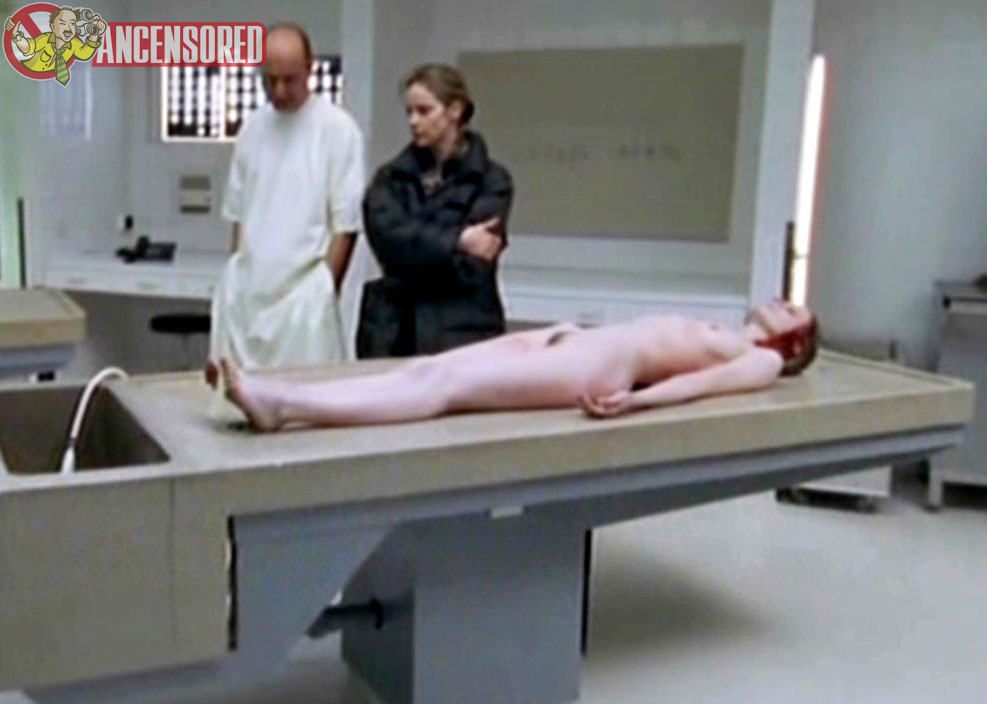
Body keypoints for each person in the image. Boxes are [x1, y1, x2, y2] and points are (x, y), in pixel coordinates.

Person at [219, 301, 819, 432]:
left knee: (443, 387)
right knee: (428, 368)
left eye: (792, 310)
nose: (780, 300)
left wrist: (636, 402)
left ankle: (285, 406)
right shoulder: (732, 333)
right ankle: (282, 394)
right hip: (578, 343)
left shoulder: (762, 360)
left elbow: (698, 386)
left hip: (601, 368)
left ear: (793, 343)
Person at [206, 23, 364, 387]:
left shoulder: (337, 130)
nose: (279, 91)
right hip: (247, 297)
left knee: (307, 401)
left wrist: (324, 292)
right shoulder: (252, 129)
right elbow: (238, 214)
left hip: (303, 301)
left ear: (310, 69)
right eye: (270, 80)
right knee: (237, 400)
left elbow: (346, 225)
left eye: (289, 80)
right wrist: (237, 281)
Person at [357, 63, 513, 358]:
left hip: (463, 332)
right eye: (409, 112)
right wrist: (458, 239)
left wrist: (416, 245)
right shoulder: (390, 178)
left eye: (424, 111)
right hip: (395, 332)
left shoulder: (492, 181)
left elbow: (473, 265)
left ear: (455, 110)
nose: (413, 121)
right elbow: (388, 245)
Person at [5, 7, 106, 86]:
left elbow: (85, 53)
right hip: (27, 77)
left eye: (72, 24)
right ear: (53, 27)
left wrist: (95, 33)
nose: (68, 29)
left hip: (52, 85)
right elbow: (27, 48)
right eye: (62, 23)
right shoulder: (45, 39)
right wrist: (16, 35)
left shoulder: (74, 43)